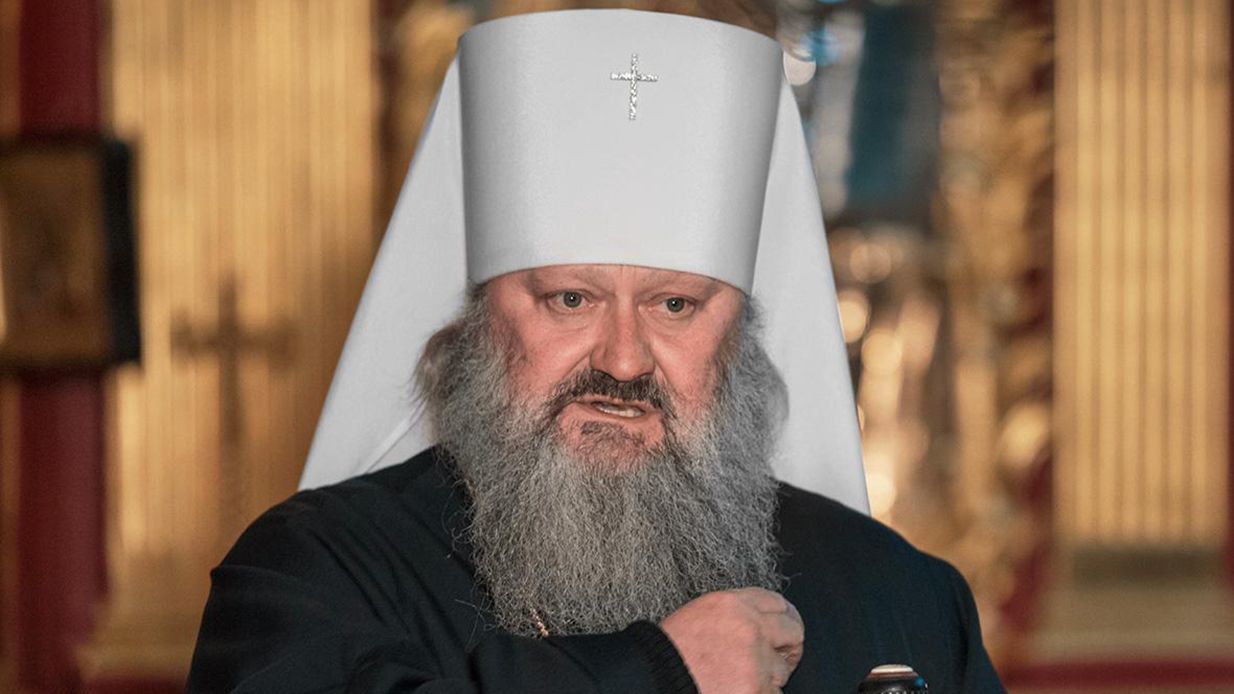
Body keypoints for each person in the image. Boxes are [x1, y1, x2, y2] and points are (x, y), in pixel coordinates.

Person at [187, 9, 1006, 693]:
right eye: (569, 300)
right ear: (475, 323)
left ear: (742, 335)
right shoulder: (316, 574)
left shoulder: (900, 595)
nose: (622, 362)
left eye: (675, 305)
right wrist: (661, 675)